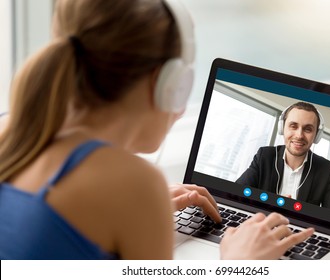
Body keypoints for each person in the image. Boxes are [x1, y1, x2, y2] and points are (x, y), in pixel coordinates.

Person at [0, 0, 313, 260]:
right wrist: (237, 265)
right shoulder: (133, 183)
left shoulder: (12, 134)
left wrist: (136, 215)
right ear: (170, 86)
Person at [236, 102, 330, 214]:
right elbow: (236, 195)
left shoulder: (326, 170)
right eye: (293, 126)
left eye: (308, 129)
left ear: (317, 135)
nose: (299, 135)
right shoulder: (265, 156)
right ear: (282, 128)